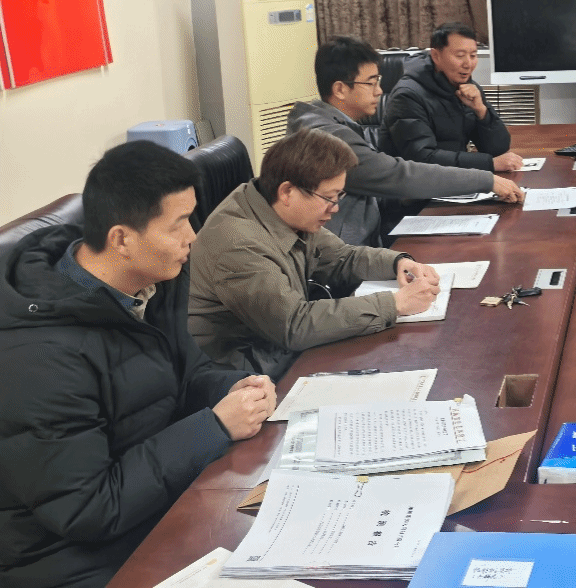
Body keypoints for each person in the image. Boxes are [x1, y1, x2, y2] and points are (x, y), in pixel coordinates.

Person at [0, 141, 275, 588]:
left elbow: (186, 376)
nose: (193, 237)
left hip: (154, 507)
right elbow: (89, 509)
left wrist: (234, 388)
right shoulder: (40, 355)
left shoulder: (151, 281)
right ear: (122, 239)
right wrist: (213, 427)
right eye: (178, 224)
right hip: (70, 558)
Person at [188, 128, 443, 379]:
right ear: (287, 192)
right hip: (242, 377)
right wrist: (395, 304)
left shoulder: (282, 211)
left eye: (339, 196)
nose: (335, 208)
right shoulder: (238, 243)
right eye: (329, 198)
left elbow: (342, 258)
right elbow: (294, 326)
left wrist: (398, 263)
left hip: (276, 355)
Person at [288, 35, 524, 246]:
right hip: (345, 257)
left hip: (366, 239)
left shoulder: (334, 125)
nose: (380, 91)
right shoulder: (325, 139)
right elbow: (397, 175)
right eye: (371, 83)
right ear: (340, 89)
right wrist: (485, 179)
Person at [383, 22, 524, 172]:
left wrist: (482, 111)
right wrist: (489, 163)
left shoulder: (467, 88)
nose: (468, 64)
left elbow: (499, 149)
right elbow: (421, 157)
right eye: (460, 56)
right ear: (436, 56)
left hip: (453, 178)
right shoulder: (407, 95)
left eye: (473, 55)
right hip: (413, 182)